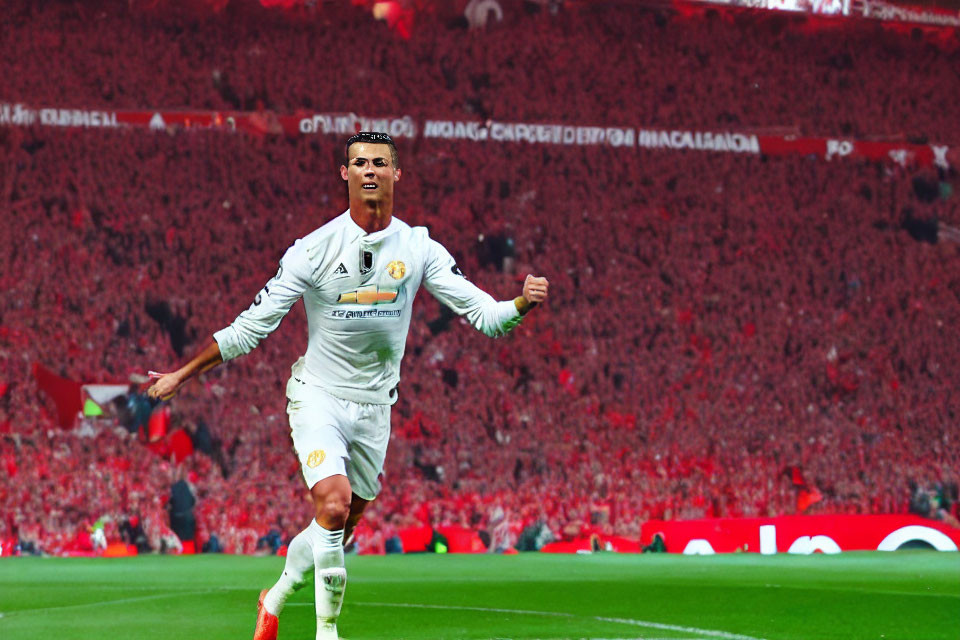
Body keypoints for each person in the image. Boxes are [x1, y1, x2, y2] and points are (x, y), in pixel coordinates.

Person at [146, 132, 549, 640]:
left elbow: (485, 315)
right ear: (346, 174)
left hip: (375, 407)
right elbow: (252, 326)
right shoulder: (314, 250)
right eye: (359, 163)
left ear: (396, 174)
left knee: (336, 527)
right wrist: (183, 374)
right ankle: (327, 632)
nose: (370, 170)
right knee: (333, 506)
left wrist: (520, 304)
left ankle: (273, 598)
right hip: (318, 395)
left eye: (380, 163)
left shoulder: (417, 247)